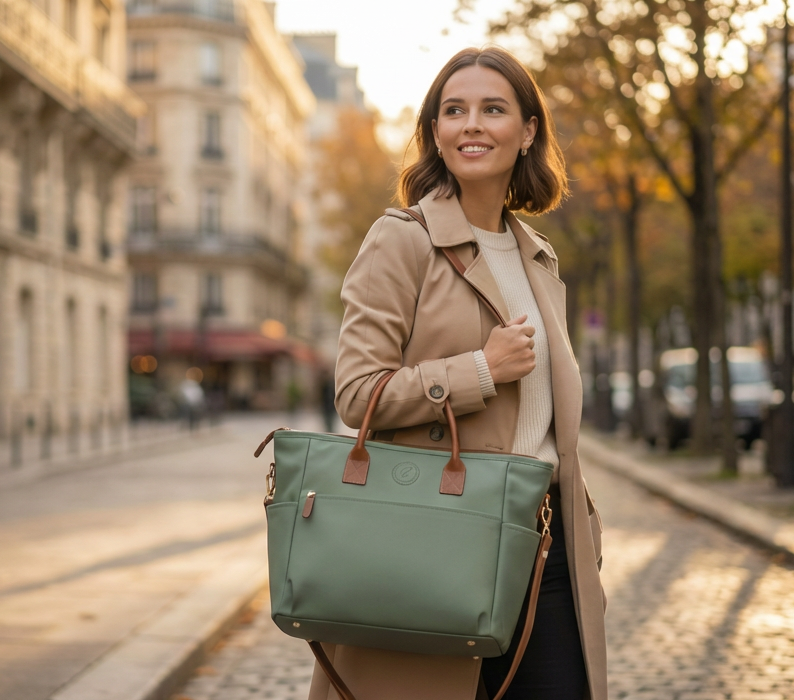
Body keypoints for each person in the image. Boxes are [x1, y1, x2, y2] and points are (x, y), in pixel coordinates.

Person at [318, 47, 606, 700]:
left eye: (492, 109)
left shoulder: (538, 257)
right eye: (454, 111)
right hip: (438, 539)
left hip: (547, 548)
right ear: (435, 132)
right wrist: (480, 369)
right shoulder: (402, 239)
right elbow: (357, 393)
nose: (471, 124)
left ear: (527, 131)